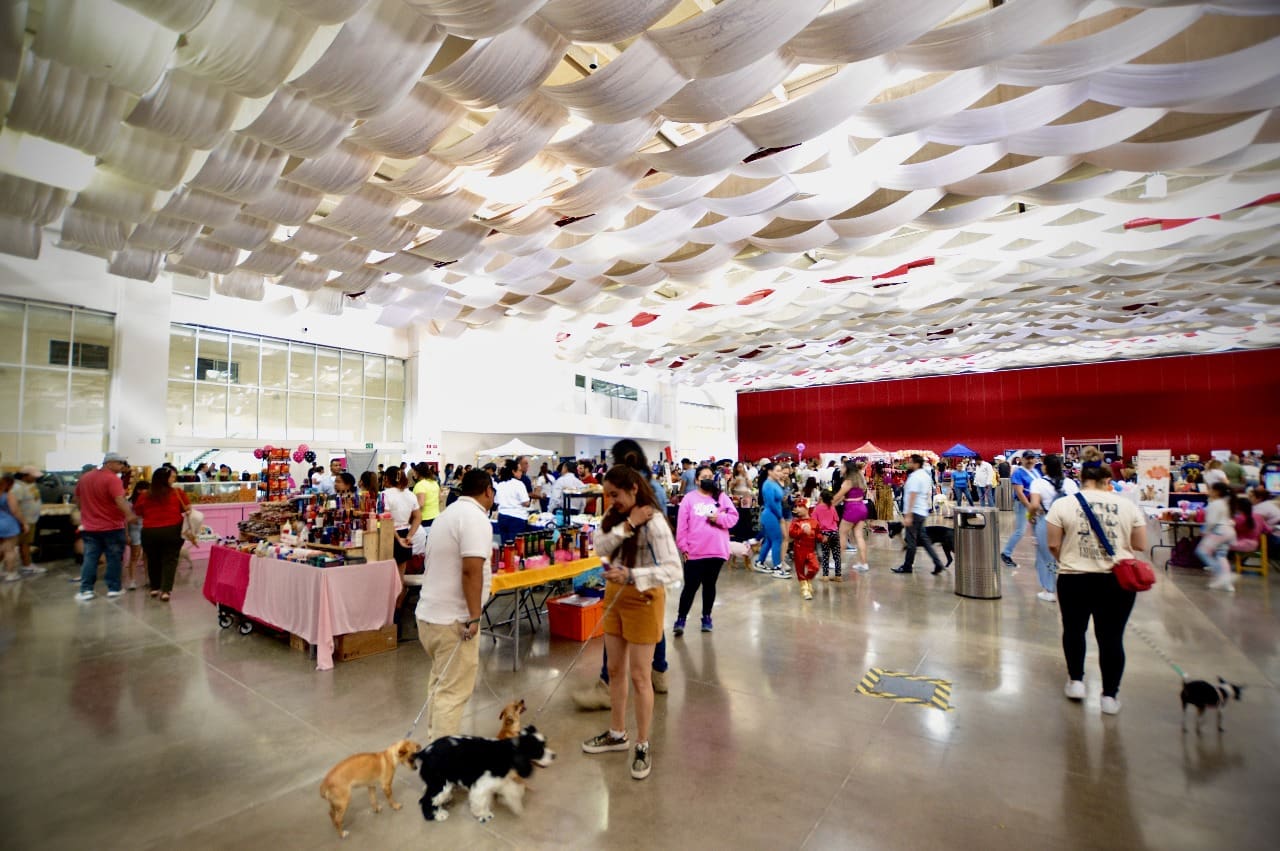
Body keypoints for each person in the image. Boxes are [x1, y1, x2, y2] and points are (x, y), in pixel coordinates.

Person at [581, 465, 682, 782]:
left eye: (616, 494)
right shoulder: (615, 517)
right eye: (608, 495)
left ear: (634, 489)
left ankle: (642, 743)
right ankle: (617, 733)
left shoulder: (656, 522)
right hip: (615, 596)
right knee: (614, 670)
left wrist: (632, 574)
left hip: (645, 599)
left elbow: (673, 570)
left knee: (640, 676)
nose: (611, 500)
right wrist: (627, 525)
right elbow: (599, 547)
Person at [1046, 463, 1147, 715]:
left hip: (1073, 578)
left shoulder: (1063, 505)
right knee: (1111, 638)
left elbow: (1053, 544)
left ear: (1081, 478)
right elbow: (1140, 544)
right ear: (1108, 480)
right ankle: (1109, 696)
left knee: (1074, 630)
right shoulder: (1127, 506)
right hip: (1116, 581)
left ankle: (1076, 682)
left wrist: (1070, 559)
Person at [414, 469, 495, 741]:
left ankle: (434, 747)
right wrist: (474, 616)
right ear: (487, 491)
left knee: (440, 685)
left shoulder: (445, 516)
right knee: (452, 693)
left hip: (430, 616)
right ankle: (443, 760)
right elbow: (471, 570)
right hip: (454, 621)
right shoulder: (475, 518)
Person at [675, 465, 738, 634]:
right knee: (690, 586)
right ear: (696, 480)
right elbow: (681, 526)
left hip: (716, 550)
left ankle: (707, 617)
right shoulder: (689, 499)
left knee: (710, 585)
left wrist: (719, 518)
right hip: (694, 551)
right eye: (704, 477)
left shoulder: (721, 497)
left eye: (710, 476)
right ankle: (681, 618)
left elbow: (733, 518)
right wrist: (683, 547)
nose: (708, 480)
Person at [75, 453, 138, 601]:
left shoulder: (85, 478)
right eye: (120, 463)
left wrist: (86, 512)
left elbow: (77, 499)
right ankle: (114, 588)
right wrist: (129, 515)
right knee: (114, 558)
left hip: (90, 527)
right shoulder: (112, 479)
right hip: (112, 527)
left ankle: (86, 590)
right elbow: (119, 500)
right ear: (109, 463)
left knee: (90, 558)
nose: (122, 466)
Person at [135, 467, 192, 602]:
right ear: (164, 479)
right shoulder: (177, 492)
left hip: (150, 532)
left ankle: (154, 588)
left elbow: (138, 512)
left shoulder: (145, 495)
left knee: (152, 559)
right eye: (172, 477)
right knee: (170, 560)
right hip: (173, 530)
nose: (174, 479)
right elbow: (187, 508)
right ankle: (166, 591)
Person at [1027, 454, 1078, 603]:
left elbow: (1034, 505)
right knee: (1068, 555)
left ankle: (1049, 590)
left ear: (1045, 467)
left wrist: (1030, 516)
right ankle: (1071, 587)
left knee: (1045, 556)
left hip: (1047, 521)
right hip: (1068, 522)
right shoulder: (1070, 483)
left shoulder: (1038, 483)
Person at [894, 454, 946, 575]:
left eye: (910, 462)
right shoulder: (925, 476)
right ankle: (938, 563)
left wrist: (908, 515)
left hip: (914, 512)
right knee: (924, 539)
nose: (908, 464)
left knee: (911, 540)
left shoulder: (915, 477)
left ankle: (907, 566)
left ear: (916, 464)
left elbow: (912, 495)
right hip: (922, 511)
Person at [383, 468, 422, 601]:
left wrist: (398, 538)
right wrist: (409, 535)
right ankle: (399, 608)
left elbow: (386, 519)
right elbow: (418, 517)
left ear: (387, 478)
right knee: (400, 576)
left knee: (387, 577)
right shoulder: (410, 495)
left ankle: (390, 609)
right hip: (405, 532)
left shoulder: (385, 495)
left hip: (389, 535)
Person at [1001, 451, 1042, 568]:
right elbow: (1020, 493)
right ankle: (1006, 553)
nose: (1030, 460)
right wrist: (1030, 508)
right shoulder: (1018, 473)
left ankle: (1041, 558)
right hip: (1023, 505)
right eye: (1027, 458)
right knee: (1021, 530)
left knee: (1039, 531)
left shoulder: (1036, 472)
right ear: (1022, 459)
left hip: (1035, 505)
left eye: (1032, 458)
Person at [1197, 482, 1237, 592]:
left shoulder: (1215, 504)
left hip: (1218, 531)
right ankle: (1227, 583)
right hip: (1228, 531)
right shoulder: (1225, 502)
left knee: (1201, 551)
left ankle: (1223, 575)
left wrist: (1205, 531)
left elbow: (1211, 521)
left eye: (1210, 489)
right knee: (1221, 556)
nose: (1209, 491)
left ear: (1216, 492)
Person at [832, 459, 870, 574]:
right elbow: (846, 496)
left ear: (847, 469)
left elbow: (839, 495)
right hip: (862, 508)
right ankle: (864, 563)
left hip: (852, 509)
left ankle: (838, 562)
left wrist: (828, 504)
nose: (841, 469)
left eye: (842, 467)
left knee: (842, 534)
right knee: (859, 536)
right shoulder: (859, 479)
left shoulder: (848, 481)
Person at [753, 462, 786, 575]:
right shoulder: (767, 485)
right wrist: (780, 517)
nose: (780, 473)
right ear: (770, 472)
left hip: (773, 514)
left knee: (769, 540)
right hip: (770, 515)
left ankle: (760, 562)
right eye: (777, 471)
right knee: (777, 540)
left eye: (780, 471)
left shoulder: (774, 483)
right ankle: (777, 566)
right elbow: (771, 503)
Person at [13, 466, 45, 575]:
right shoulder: (18, 488)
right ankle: (27, 565)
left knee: (26, 543)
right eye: (33, 476)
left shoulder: (30, 485)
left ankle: (27, 564)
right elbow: (15, 506)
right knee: (23, 544)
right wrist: (22, 521)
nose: (35, 478)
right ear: (25, 476)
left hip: (31, 519)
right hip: (24, 520)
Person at [788, 501, 821, 600]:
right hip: (799, 550)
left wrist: (822, 538)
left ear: (806, 508)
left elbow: (818, 534)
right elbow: (791, 534)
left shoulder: (814, 522)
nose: (797, 509)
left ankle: (808, 580)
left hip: (810, 550)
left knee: (815, 567)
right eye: (796, 507)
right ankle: (804, 588)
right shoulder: (795, 522)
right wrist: (802, 531)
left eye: (800, 506)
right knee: (800, 570)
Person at [494, 462, 531, 543]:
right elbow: (526, 502)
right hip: (517, 517)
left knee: (505, 544)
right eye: (520, 470)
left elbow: (496, 501)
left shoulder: (500, 484)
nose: (521, 473)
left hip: (502, 517)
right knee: (516, 545)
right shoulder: (519, 484)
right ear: (513, 471)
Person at [0, 474, 26, 584]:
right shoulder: (9, 495)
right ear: (10, 484)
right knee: (10, 550)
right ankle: (10, 573)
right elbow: (15, 511)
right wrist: (24, 523)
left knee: (2, 547)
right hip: (8, 524)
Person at [125, 480, 150, 590]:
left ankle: (148, 579)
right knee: (135, 555)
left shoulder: (149, 500)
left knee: (147, 555)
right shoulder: (129, 503)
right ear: (139, 490)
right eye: (146, 489)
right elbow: (125, 520)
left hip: (147, 529)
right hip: (134, 530)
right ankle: (132, 580)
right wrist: (126, 534)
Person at [812, 489, 841, 580]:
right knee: (837, 555)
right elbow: (837, 519)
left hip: (824, 533)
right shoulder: (832, 507)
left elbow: (814, 522)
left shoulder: (817, 508)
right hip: (834, 532)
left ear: (821, 497)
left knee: (825, 555)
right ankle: (838, 575)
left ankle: (825, 576)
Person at [411, 463, 441, 529]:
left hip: (424, 519)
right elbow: (440, 499)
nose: (413, 474)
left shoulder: (420, 485)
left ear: (418, 473)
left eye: (414, 472)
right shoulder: (434, 483)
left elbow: (421, 504)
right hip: (436, 516)